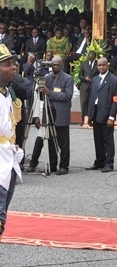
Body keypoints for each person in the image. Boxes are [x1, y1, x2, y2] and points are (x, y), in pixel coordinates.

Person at [26, 56, 74, 175]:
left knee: (63, 143)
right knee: (50, 142)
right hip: (48, 113)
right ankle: (52, 165)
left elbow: (67, 96)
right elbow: (42, 97)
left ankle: (64, 166)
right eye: (53, 64)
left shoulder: (68, 79)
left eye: (57, 64)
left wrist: (50, 93)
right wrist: (40, 90)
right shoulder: (47, 78)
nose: (55, 67)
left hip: (61, 114)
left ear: (62, 65)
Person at [0, 44, 23, 241]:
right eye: (7, 64)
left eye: (13, 63)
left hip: (7, 160)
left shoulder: (6, 93)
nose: (13, 67)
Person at [85, 57, 117, 173]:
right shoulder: (95, 79)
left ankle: (109, 163)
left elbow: (116, 100)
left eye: (103, 65)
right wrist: (89, 116)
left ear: (108, 65)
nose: (101, 67)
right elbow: (91, 98)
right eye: (99, 65)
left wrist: (112, 117)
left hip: (107, 115)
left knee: (108, 140)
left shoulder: (114, 80)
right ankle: (99, 161)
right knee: (98, 139)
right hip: (96, 113)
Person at [78, 51, 98, 127]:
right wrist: (84, 78)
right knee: (84, 103)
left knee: (92, 103)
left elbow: (99, 74)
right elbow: (80, 75)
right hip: (85, 85)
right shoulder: (84, 64)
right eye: (90, 57)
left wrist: (93, 79)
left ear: (95, 57)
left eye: (92, 57)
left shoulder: (97, 64)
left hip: (93, 85)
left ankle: (90, 119)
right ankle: (82, 119)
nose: (91, 58)